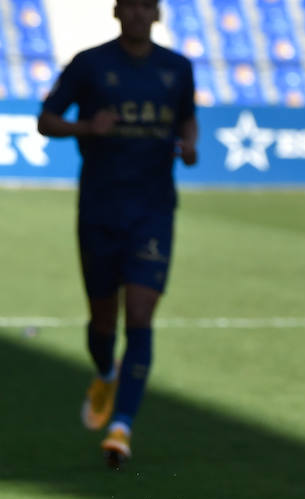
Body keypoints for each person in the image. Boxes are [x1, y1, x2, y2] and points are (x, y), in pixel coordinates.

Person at [37, 0, 198, 469]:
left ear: (157, 15)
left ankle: (122, 426)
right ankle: (105, 373)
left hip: (152, 210)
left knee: (142, 314)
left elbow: (187, 116)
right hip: (100, 209)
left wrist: (190, 142)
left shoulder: (177, 68)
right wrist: (87, 126)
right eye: (130, 6)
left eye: (146, 7)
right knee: (103, 320)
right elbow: (45, 119)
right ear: (116, 12)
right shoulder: (89, 63)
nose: (137, 14)